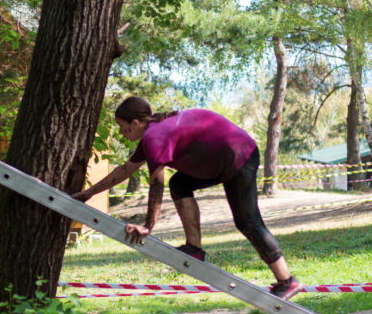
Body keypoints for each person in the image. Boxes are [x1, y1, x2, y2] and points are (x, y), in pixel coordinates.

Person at [72, 96, 304, 299]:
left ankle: (287, 281)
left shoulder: (155, 137)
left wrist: (148, 226)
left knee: (247, 221)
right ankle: (194, 248)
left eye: (124, 129)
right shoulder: (153, 134)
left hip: (239, 155)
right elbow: (125, 170)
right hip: (221, 160)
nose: (123, 134)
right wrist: (88, 193)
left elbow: (156, 184)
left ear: (136, 122)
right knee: (180, 183)